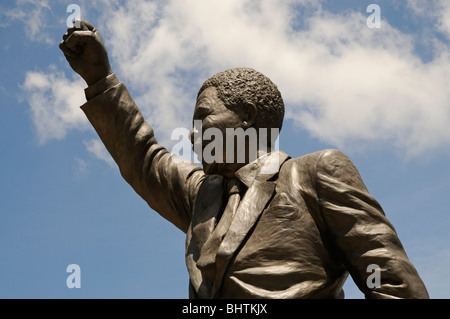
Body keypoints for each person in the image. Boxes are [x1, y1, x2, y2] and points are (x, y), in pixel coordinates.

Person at [59, 20, 429, 299]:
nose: (192, 133)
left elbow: (396, 284)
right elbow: (142, 157)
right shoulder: (201, 193)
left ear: (247, 117)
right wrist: (99, 79)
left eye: (203, 118)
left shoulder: (315, 172)